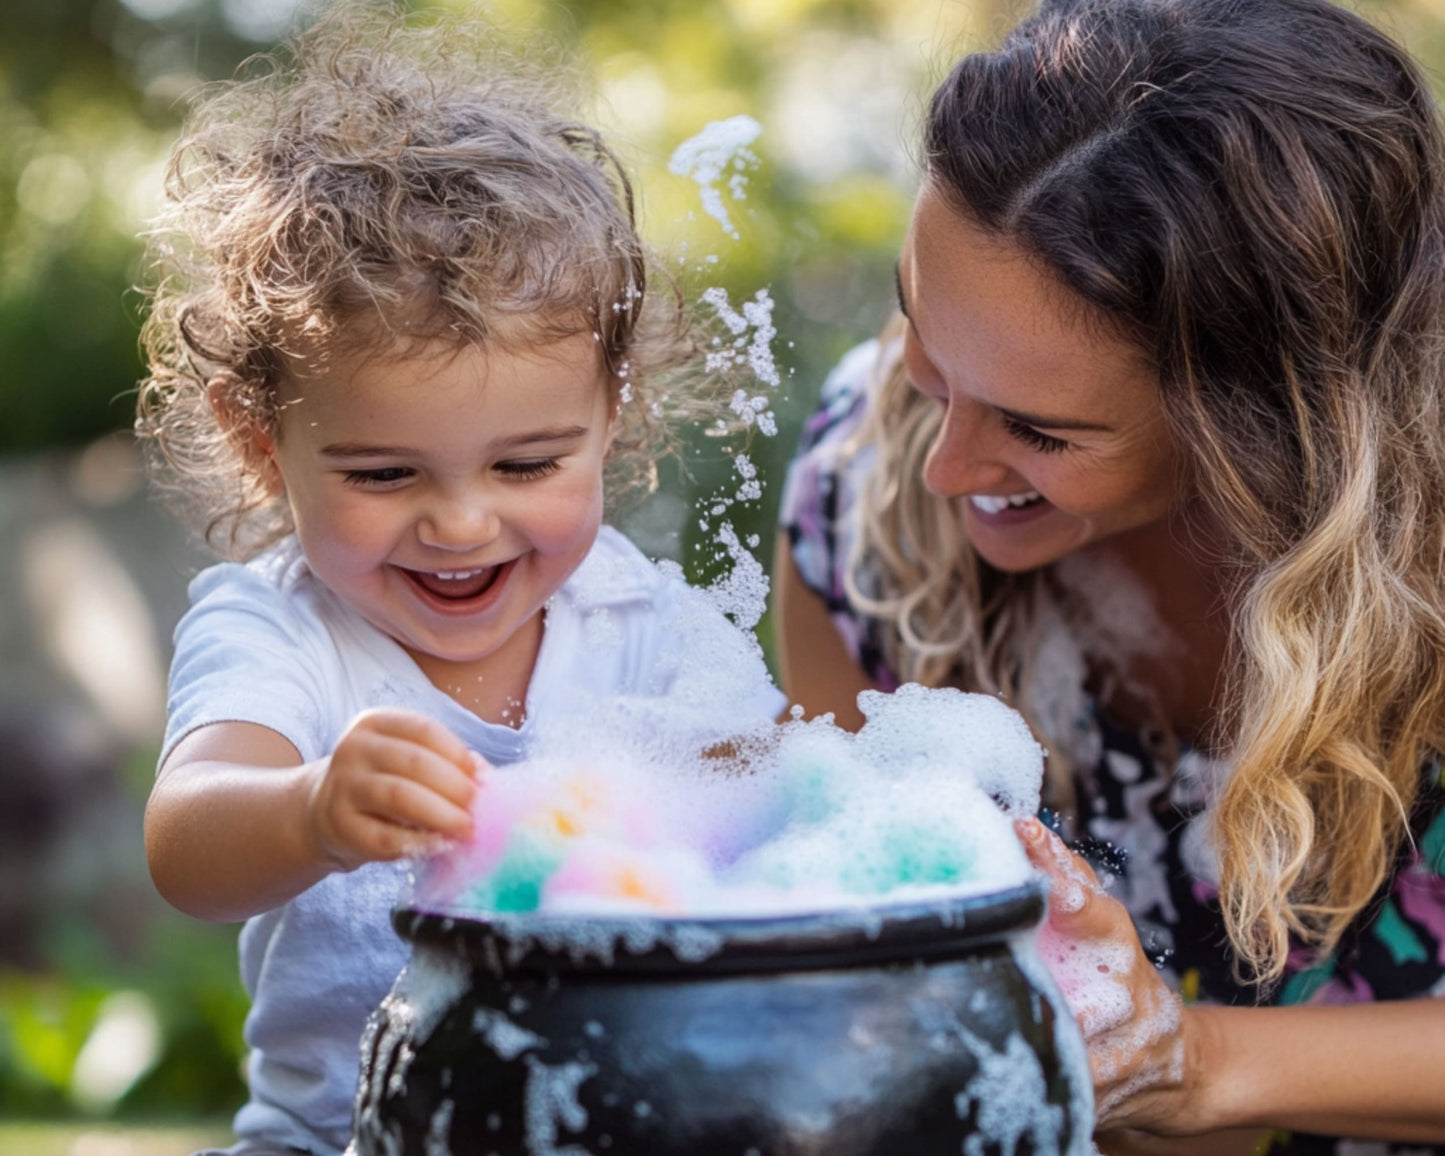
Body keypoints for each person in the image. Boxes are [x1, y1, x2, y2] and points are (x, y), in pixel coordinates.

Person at [775, 0, 1445, 1151]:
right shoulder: (862, 486)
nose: (942, 466)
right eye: (925, 339)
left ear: (1264, 428)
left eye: (1037, 431)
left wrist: (1199, 1066)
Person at [137, 8, 782, 1155]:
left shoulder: (646, 620)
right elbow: (186, 843)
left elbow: (771, 808)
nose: (461, 521)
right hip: (340, 1138)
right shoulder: (280, 631)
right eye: (384, 471)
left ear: (608, 417)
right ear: (256, 439)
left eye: (527, 462)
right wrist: (310, 809)